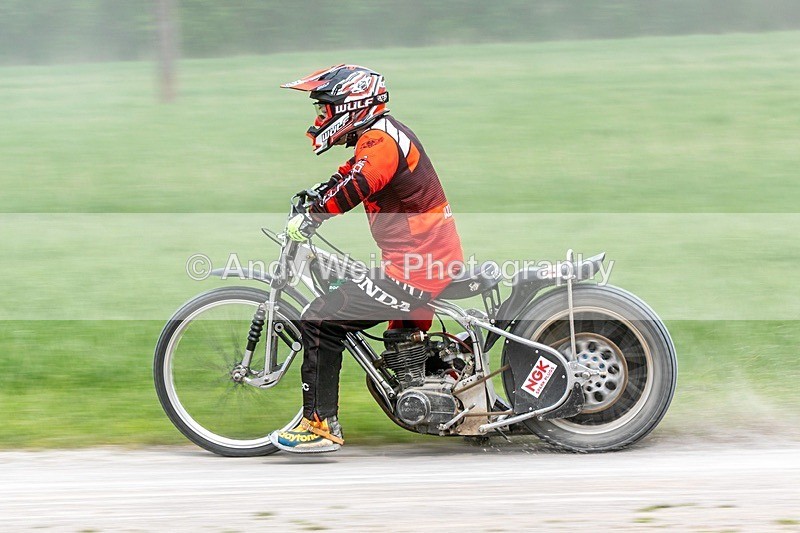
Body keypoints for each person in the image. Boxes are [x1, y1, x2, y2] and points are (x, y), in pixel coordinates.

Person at [269, 65, 464, 453]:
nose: (320, 118)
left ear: (352, 104)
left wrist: (313, 216)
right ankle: (433, 378)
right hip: (422, 261)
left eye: (326, 109)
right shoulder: (380, 136)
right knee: (384, 324)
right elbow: (351, 173)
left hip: (418, 267)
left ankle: (319, 425)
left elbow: (357, 184)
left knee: (321, 318)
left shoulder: (380, 142)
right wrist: (316, 195)